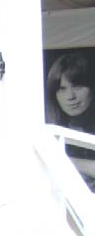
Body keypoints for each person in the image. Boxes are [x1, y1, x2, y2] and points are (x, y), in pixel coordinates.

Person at [45, 52, 95, 191]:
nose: (70, 96)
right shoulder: (50, 131)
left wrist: (68, 162)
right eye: (62, 89)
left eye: (77, 87)